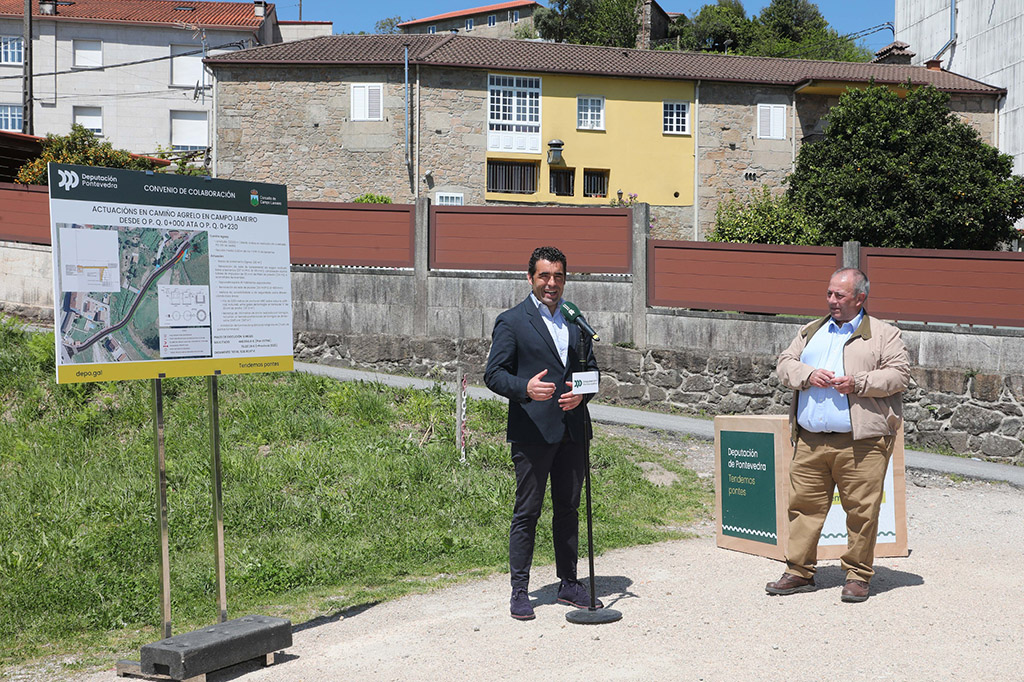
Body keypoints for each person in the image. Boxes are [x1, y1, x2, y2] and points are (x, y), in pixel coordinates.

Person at [766, 267, 910, 603]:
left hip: (861, 442)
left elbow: (899, 375)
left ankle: (858, 576)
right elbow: (785, 362)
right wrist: (808, 373)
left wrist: (858, 382)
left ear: (860, 297)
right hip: (811, 440)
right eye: (829, 293)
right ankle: (799, 571)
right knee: (803, 507)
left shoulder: (885, 334)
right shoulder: (812, 330)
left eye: (839, 295)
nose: (831, 300)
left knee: (862, 511)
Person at [484, 246, 602, 621]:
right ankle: (520, 591)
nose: (552, 283)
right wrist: (524, 389)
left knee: (568, 509)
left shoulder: (575, 320)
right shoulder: (512, 321)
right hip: (532, 431)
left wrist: (582, 393)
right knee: (528, 511)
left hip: (573, 430)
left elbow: (592, 372)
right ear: (530, 277)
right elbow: (494, 373)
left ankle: (569, 582)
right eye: (544, 276)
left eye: (559, 276)